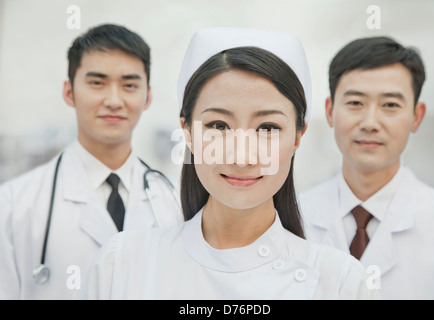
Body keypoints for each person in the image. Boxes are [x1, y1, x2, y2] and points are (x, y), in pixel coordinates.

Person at [81, 27, 378, 300]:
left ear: (298, 136)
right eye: (219, 125)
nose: (242, 156)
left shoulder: (340, 283)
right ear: (188, 131)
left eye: (268, 128)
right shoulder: (121, 265)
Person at [0, 24, 183, 299]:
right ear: (69, 92)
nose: (113, 100)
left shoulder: (174, 201)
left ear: (148, 96)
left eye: (129, 85)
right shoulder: (14, 206)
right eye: (97, 83)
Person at [299, 36, 434, 299]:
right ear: (330, 111)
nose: (370, 122)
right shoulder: (289, 218)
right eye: (355, 103)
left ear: (416, 116)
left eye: (390, 105)